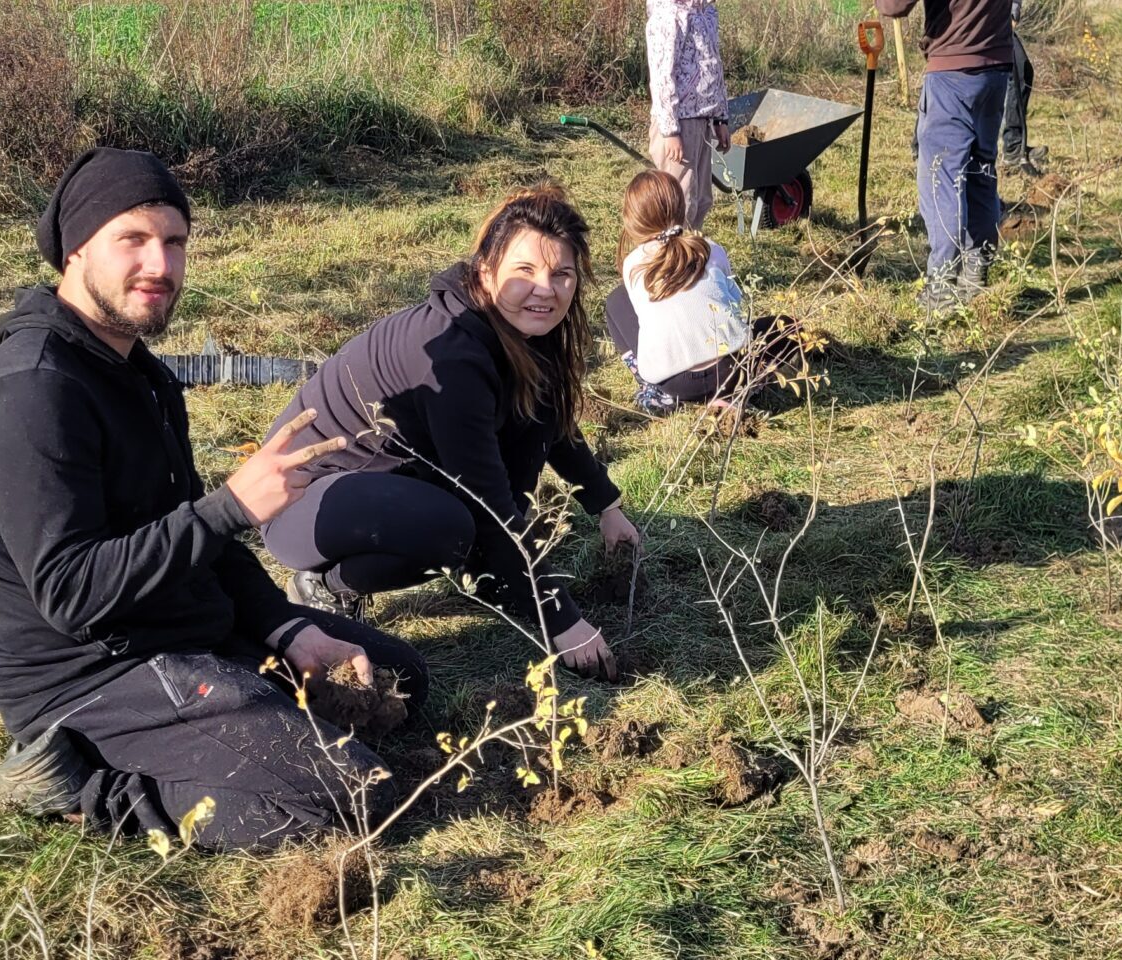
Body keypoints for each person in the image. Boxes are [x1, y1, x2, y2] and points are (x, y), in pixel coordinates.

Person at [0, 148, 428, 851]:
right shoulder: (32, 390)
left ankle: (241, 701)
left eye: (175, 241)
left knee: (399, 684)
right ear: (76, 249)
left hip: (176, 625)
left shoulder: (141, 374)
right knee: (356, 800)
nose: (160, 264)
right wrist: (230, 507)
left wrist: (284, 627)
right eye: (132, 239)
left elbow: (202, 544)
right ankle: (86, 786)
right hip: (86, 676)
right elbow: (71, 593)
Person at [261, 184, 639, 683]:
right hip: (303, 502)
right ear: (485, 271)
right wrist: (563, 621)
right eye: (524, 271)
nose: (545, 289)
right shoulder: (454, 353)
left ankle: (493, 570)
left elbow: (552, 427)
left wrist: (606, 505)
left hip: (385, 483)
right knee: (451, 530)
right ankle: (324, 585)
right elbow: (485, 503)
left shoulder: (525, 330)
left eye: (561, 274)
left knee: (476, 507)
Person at [604, 169, 798, 413]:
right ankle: (734, 392)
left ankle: (656, 392)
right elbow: (734, 304)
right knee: (790, 327)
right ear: (681, 208)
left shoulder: (633, 263)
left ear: (632, 221)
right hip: (730, 370)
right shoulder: (711, 249)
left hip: (674, 382)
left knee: (616, 301)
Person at [877, 0, 1014, 313]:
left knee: (941, 180)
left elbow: (893, 6)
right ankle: (975, 274)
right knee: (980, 171)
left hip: (953, 69)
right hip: (996, 66)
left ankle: (941, 287)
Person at [646, 0, 730, 230]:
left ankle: (692, 246)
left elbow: (714, 67)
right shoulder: (668, 16)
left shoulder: (706, 13)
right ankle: (671, 250)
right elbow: (662, 77)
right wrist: (670, 130)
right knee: (679, 202)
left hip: (703, 118)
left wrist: (720, 117)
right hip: (680, 122)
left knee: (701, 199)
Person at [1002, 0, 1048, 175]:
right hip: (979, 18)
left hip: (999, 17)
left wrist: (1013, 11)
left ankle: (1013, 146)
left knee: (1022, 71)